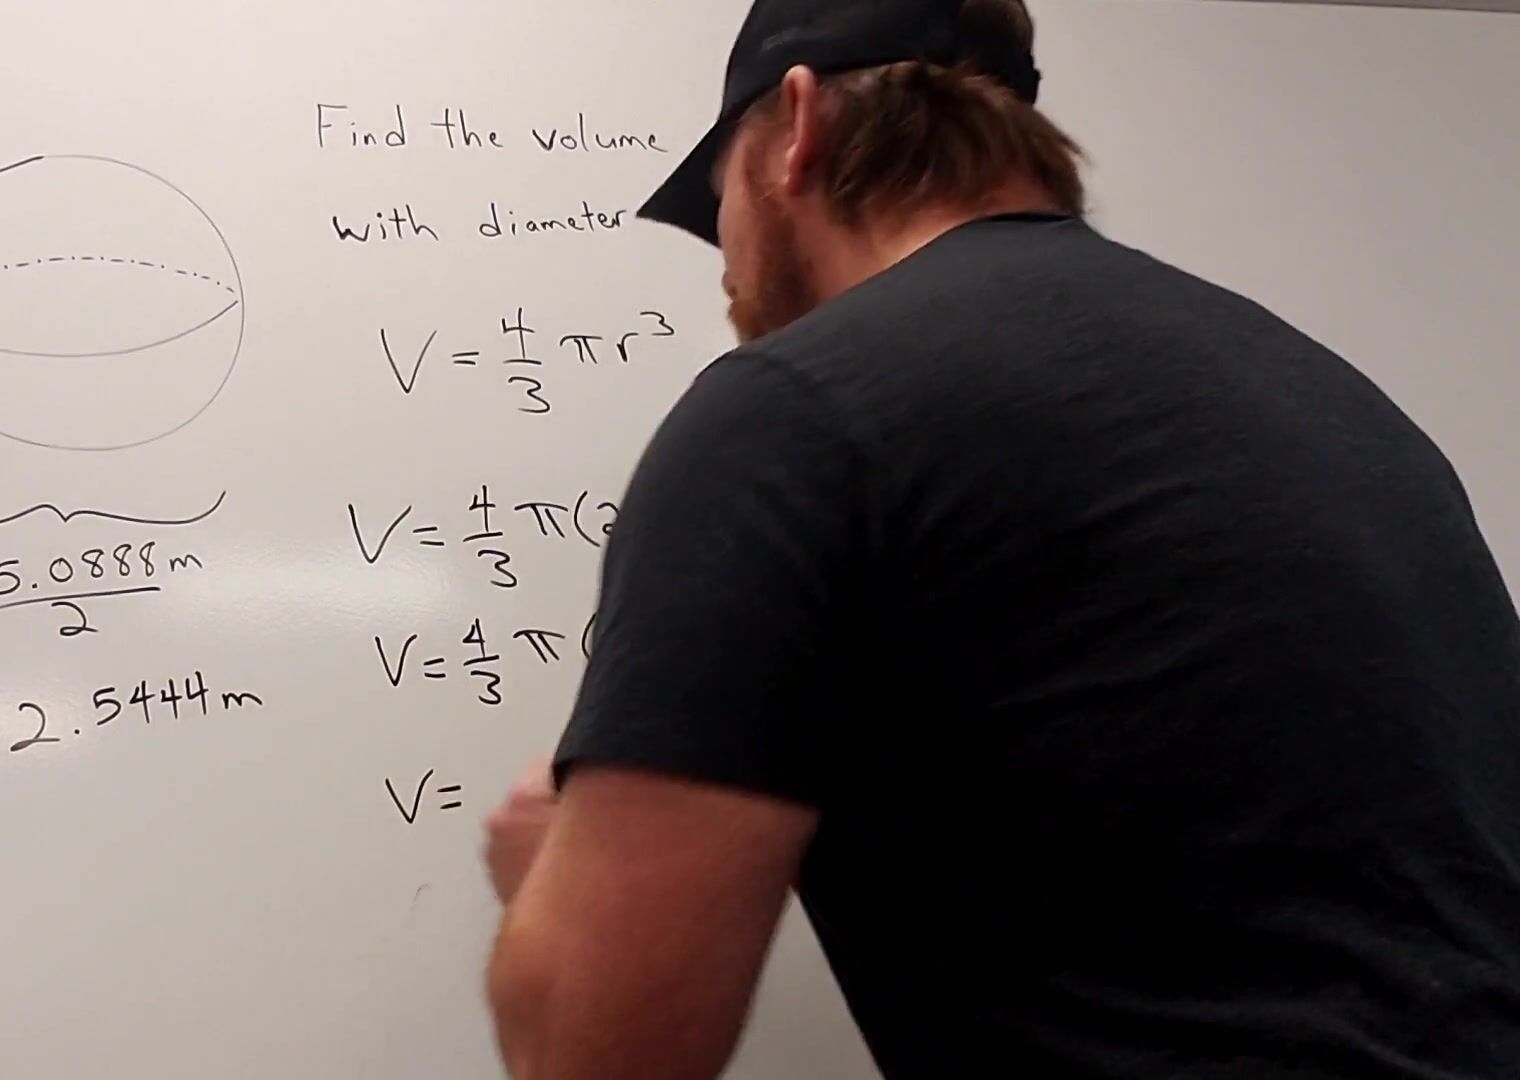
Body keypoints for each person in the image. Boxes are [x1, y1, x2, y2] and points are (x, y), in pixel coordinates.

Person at [480, 0, 1520, 1076]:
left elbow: (598, 1055)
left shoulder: (798, 413)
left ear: (797, 126)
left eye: (717, 200)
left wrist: (541, 876)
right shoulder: (1329, 398)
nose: (728, 268)